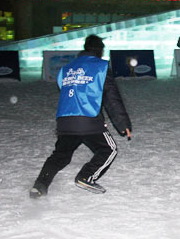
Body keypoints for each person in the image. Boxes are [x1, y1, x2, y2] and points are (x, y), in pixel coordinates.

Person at [30, 35, 132, 197]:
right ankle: (86, 176)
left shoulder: (67, 68)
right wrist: (123, 124)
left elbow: (63, 88)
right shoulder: (101, 67)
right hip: (88, 120)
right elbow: (111, 99)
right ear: (99, 51)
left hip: (64, 121)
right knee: (109, 149)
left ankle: (39, 185)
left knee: (60, 155)